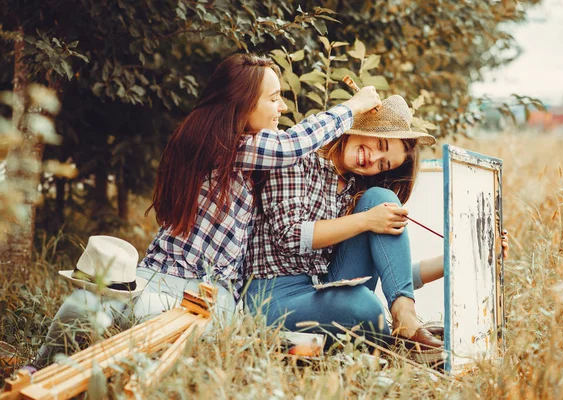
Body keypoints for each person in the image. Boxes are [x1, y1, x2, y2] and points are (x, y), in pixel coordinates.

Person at [29, 53, 382, 369]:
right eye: (274, 99)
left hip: (192, 288)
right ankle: (48, 367)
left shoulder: (224, 148)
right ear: (243, 105)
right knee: (93, 306)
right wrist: (352, 106)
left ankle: (62, 362)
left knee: (116, 315)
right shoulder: (228, 147)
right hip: (178, 284)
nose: (282, 108)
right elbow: (291, 146)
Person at [243, 94, 509, 359]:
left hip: (322, 292)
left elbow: (394, 276)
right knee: (365, 306)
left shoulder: (352, 191)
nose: (373, 159)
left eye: (383, 164)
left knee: (380, 199)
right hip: (273, 298)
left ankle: (405, 319)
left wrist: (464, 258)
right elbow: (290, 236)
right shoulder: (298, 155)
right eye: (380, 144)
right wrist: (366, 220)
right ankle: (389, 340)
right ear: (362, 125)